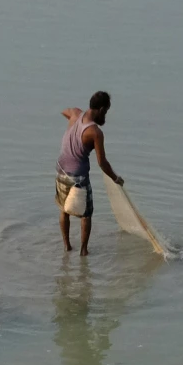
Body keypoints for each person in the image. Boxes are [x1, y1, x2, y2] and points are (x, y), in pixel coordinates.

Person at [56, 92, 124, 254]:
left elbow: (64, 111)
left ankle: (67, 246)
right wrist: (116, 178)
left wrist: (73, 125)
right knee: (86, 214)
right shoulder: (95, 132)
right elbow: (102, 163)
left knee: (64, 209)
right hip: (77, 177)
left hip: (60, 169)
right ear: (101, 109)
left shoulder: (75, 114)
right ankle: (83, 251)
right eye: (106, 112)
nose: (105, 116)